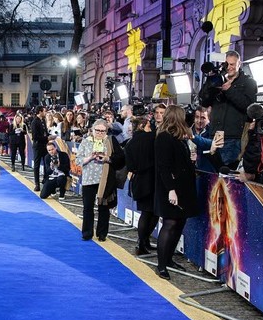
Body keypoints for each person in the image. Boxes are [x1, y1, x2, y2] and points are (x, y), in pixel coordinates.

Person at [153, 106, 198, 280]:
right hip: (170, 188)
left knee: (179, 223)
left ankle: (169, 259)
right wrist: (171, 190)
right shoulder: (164, 137)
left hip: (183, 187)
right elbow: (163, 167)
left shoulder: (179, 137)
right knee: (170, 224)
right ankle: (161, 265)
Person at [199, 50, 258, 166]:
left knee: (227, 171)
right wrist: (210, 85)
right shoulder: (216, 79)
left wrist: (229, 90)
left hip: (233, 136)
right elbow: (204, 102)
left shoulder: (248, 82)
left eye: (232, 64)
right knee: (213, 172)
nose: (229, 67)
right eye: (227, 64)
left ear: (239, 64)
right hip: (214, 134)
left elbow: (249, 107)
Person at [76, 118, 125, 241]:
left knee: (103, 208)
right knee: (87, 207)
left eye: (102, 131)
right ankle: (87, 233)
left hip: (105, 180)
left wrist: (107, 158)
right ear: (92, 130)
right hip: (88, 179)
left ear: (106, 131)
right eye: (97, 130)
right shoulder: (85, 142)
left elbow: (121, 158)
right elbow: (77, 160)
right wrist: (89, 158)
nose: (99, 133)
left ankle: (102, 234)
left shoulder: (111, 140)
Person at [124, 116, 157, 255]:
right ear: (142, 126)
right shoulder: (152, 138)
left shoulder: (129, 143)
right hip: (152, 179)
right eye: (149, 125)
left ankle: (143, 242)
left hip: (138, 181)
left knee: (145, 213)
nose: (151, 128)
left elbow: (130, 166)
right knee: (152, 213)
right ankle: (142, 243)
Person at [30, 106, 49, 191]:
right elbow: (35, 137)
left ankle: (45, 180)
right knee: (37, 165)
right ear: (40, 112)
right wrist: (47, 138)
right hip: (37, 146)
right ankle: (37, 184)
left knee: (46, 163)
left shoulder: (43, 120)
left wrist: (49, 136)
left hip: (45, 145)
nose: (45, 113)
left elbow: (45, 132)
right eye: (44, 111)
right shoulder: (34, 122)